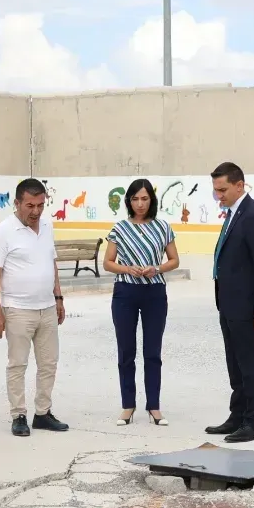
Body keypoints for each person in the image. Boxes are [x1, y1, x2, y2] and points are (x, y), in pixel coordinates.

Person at [0, 178, 69, 438]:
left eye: (41, 205)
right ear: (17, 203)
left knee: (49, 363)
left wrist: (58, 297)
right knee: (18, 364)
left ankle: (43, 413)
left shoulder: (47, 226)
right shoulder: (3, 231)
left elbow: (51, 263)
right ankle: (19, 415)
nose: (36, 211)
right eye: (30, 205)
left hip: (46, 308)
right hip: (17, 309)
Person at [203, 162, 254, 444]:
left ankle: (253, 422)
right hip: (229, 303)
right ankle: (237, 415)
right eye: (215, 191)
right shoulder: (234, 213)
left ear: (239, 185)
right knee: (234, 363)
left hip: (247, 306)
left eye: (222, 190)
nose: (218, 195)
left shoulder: (253, 215)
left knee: (249, 362)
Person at [103, 178, 180, 426]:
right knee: (126, 351)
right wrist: (128, 269)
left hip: (155, 293)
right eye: (135, 199)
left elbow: (174, 260)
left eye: (145, 198)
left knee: (152, 352)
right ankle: (128, 406)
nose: (140, 203)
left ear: (152, 200)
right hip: (125, 292)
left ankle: (154, 406)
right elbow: (108, 263)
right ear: (129, 201)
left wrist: (156, 269)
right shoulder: (119, 229)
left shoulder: (163, 227)